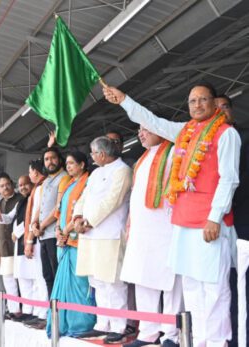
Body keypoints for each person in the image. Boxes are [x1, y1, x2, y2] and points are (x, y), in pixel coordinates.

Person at [104, 83, 240, 347]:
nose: (198, 105)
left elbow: (229, 180)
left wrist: (215, 217)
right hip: (183, 221)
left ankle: (217, 342)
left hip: (210, 222)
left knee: (212, 288)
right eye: (192, 101)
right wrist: (123, 100)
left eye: (203, 100)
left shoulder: (226, 134)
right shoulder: (185, 131)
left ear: (214, 103)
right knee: (191, 288)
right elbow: (152, 121)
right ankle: (199, 340)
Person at [119, 127, 183, 347]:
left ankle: (171, 334)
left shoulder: (174, 151)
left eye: (145, 129)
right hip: (142, 230)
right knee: (143, 279)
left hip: (166, 227)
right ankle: (147, 332)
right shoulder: (142, 159)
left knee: (170, 281)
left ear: (159, 128)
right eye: (138, 130)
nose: (140, 134)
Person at [73, 136, 133, 344]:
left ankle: (119, 326)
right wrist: (78, 218)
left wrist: (89, 221)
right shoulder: (96, 172)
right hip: (90, 235)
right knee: (97, 281)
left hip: (110, 234)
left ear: (102, 154)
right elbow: (84, 197)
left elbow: (113, 201)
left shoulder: (122, 170)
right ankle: (102, 324)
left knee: (112, 281)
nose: (92, 156)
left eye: (93, 153)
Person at [47, 151, 96, 337]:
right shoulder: (68, 184)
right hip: (64, 240)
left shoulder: (88, 182)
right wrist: (59, 232)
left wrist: (66, 231)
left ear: (83, 164)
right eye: (66, 164)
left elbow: (81, 212)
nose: (68, 167)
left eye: (72, 163)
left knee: (80, 283)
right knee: (65, 285)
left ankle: (82, 323)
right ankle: (64, 323)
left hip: (78, 239)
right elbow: (59, 212)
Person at [219, 93, 248, 347]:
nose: (220, 111)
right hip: (218, 227)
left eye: (224, 107)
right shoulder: (205, 145)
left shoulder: (244, 138)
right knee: (226, 284)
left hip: (244, 223)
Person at [29, 147, 69, 296]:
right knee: (47, 275)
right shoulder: (45, 182)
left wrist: (42, 225)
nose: (50, 162)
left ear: (59, 159)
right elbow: (39, 207)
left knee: (57, 272)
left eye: (53, 158)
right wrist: (34, 224)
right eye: (46, 159)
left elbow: (58, 207)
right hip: (43, 235)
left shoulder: (64, 177)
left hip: (54, 234)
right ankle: (52, 311)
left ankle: (61, 310)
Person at [11, 174, 48, 327]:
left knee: (36, 280)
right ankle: (28, 311)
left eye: (25, 184)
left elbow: (33, 219)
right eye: (20, 185)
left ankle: (40, 312)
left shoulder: (36, 197)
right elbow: (12, 219)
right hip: (20, 245)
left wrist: (18, 233)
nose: (23, 187)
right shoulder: (21, 202)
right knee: (23, 280)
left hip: (31, 242)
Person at [22, 159, 50, 328]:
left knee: (42, 278)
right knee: (40, 277)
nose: (29, 174)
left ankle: (44, 312)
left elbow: (36, 215)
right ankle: (41, 312)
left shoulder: (40, 188)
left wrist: (29, 239)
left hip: (40, 236)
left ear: (35, 172)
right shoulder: (39, 188)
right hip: (39, 236)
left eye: (30, 171)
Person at [0, 172, 19, 319]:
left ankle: (25, 311)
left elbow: (18, 220)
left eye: (7, 184)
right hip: (3, 246)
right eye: (1, 186)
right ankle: (13, 310)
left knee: (22, 279)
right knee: (8, 278)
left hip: (18, 245)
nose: (5, 188)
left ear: (12, 184)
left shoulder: (21, 199)